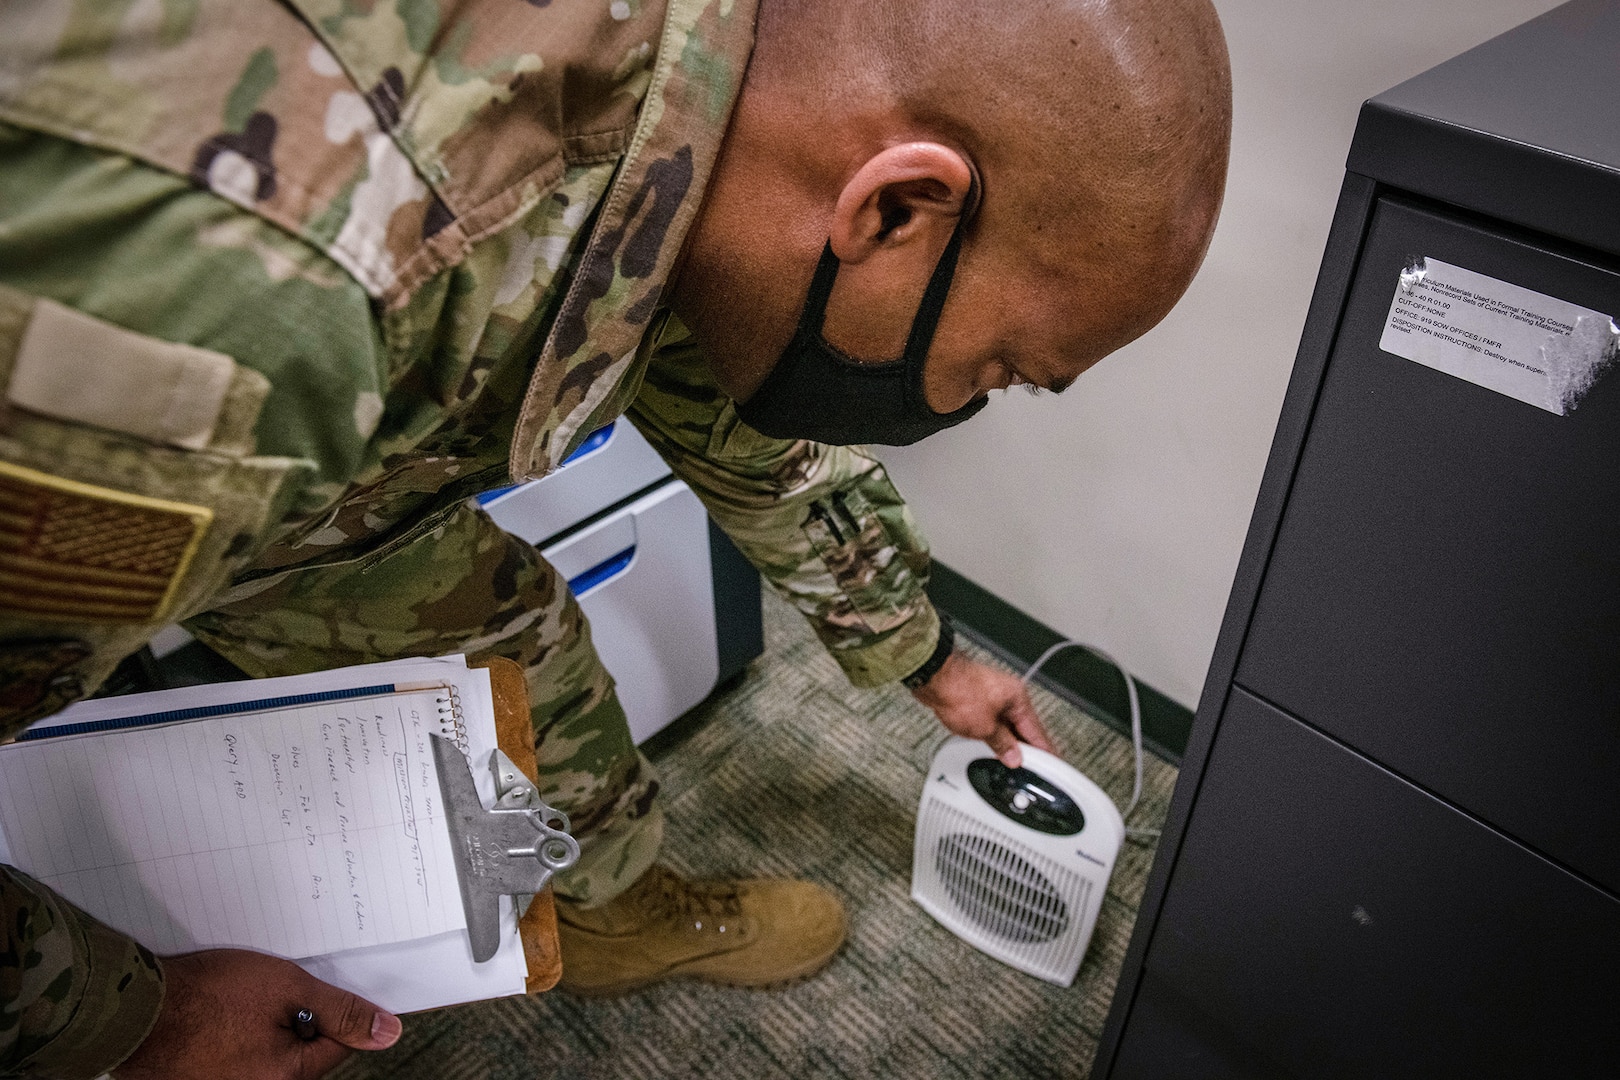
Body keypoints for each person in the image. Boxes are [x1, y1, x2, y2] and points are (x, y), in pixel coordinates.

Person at [0, 0, 1231, 1074]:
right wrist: (126, 1019)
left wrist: (927, 655)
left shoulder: (720, 107)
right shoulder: (248, 312)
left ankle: (611, 911)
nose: (963, 403)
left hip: (344, 503)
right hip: (207, 419)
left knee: (517, 647)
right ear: (902, 205)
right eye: (1004, 368)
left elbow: (743, 431)